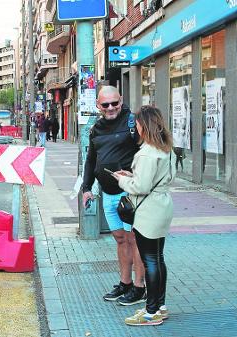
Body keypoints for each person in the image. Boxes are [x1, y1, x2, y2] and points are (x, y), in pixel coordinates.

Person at [111, 106, 176, 326]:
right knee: (158, 258)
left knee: (150, 261)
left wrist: (123, 180)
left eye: (137, 123)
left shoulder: (147, 152)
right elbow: (157, 178)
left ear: (144, 125)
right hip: (162, 206)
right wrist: (133, 175)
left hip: (149, 211)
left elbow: (141, 186)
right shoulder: (165, 149)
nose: (135, 127)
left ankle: (151, 312)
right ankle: (160, 306)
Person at [81, 85, 146, 306]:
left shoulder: (133, 123)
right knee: (120, 239)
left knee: (134, 240)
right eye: (105, 104)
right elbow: (91, 159)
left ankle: (139, 287)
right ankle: (125, 283)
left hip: (129, 194)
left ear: (121, 100)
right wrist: (86, 187)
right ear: (98, 106)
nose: (110, 108)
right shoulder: (96, 128)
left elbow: (147, 154)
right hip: (107, 194)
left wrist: (134, 174)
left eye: (114, 103)